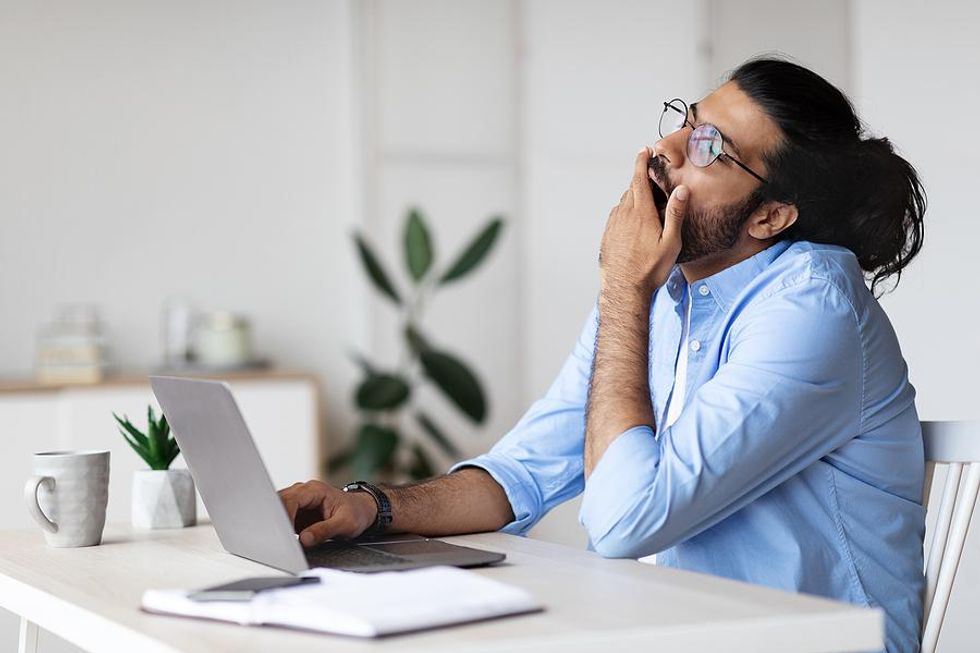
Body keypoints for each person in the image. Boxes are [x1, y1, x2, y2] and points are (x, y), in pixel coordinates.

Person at [279, 57, 926, 653]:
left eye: (709, 148)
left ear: (771, 217)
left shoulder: (811, 309)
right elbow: (522, 473)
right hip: (684, 629)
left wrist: (623, 287)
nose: (664, 150)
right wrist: (372, 508)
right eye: (686, 122)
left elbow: (624, 523)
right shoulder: (660, 290)